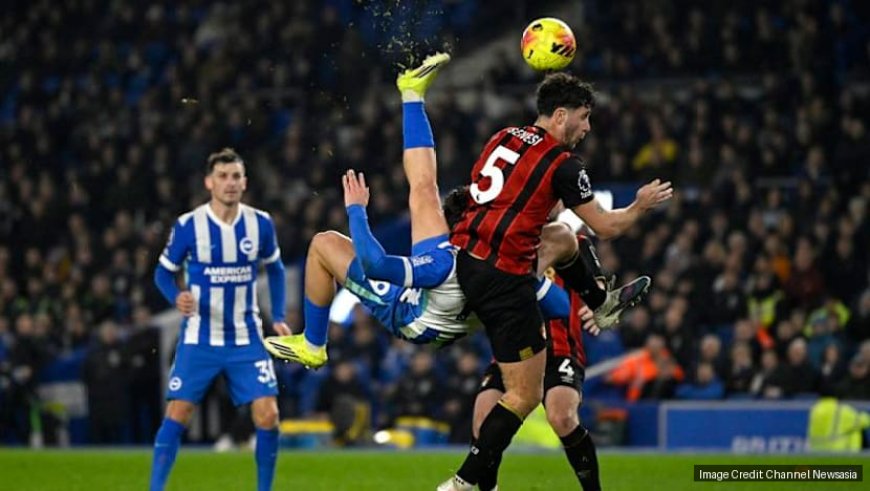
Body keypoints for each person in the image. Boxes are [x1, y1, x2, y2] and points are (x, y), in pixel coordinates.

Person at [264, 54, 643, 367]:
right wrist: (537, 278)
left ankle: (313, 345)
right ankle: (411, 94)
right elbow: (559, 306)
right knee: (424, 191)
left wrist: (356, 211)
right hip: (476, 282)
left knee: (323, 244)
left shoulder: (442, 264)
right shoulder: (510, 263)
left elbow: (375, 265)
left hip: (411, 317)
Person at [440, 72, 673, 490]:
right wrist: (639, 206)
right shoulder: (562, 164)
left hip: (470, 266)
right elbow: (606, 225)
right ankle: (462, 485)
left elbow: (487, 199)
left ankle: (600, 300)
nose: (587, 128)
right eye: (584, 117)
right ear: (561, 115)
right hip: (507, 284)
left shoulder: (503, 137)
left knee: (552, 413)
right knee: (520, 400)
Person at [149, 148, 290, 491]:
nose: (230, 183)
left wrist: (279, 316)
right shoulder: (188, 225)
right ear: (209, 182)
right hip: (200, 337)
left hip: (247, 337)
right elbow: (162, 274)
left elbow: (276, 269)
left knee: (268, 414)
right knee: (178, 413)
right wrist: (176, 296)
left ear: (245, 182)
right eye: (223, 176)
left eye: (236, 176)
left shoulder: (260, 223)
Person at [473, 235, 607, 491]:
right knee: (481, 424)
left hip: (559, 348)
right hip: (512, 351)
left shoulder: (573, 241)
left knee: (562, 417)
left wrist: (598, 304)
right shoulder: (503, 243)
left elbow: (598, 286)